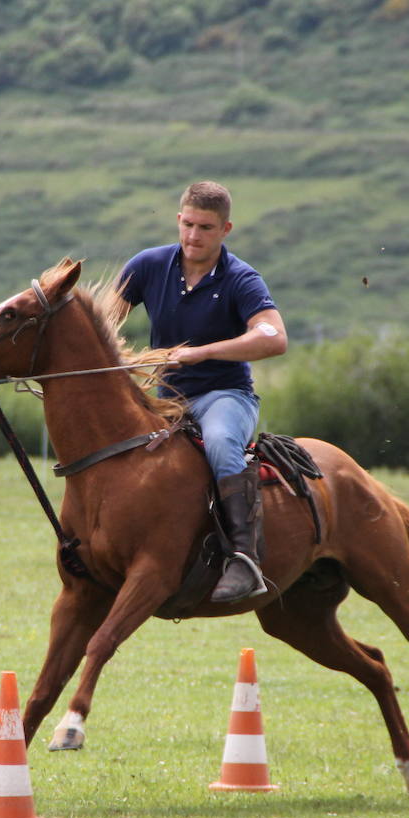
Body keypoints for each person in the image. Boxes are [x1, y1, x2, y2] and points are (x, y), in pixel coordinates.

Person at [115, 181, 287, 602]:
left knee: (223, 441)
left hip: (224, 396)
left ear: (226, 229)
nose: (194, 236)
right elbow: (105, 324)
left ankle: (244, 560)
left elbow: (274, 337)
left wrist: (202, 353)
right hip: (163, 398)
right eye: (188, 224)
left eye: (206, 228)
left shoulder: (241, 279)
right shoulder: (148, 265)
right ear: (178, 220)